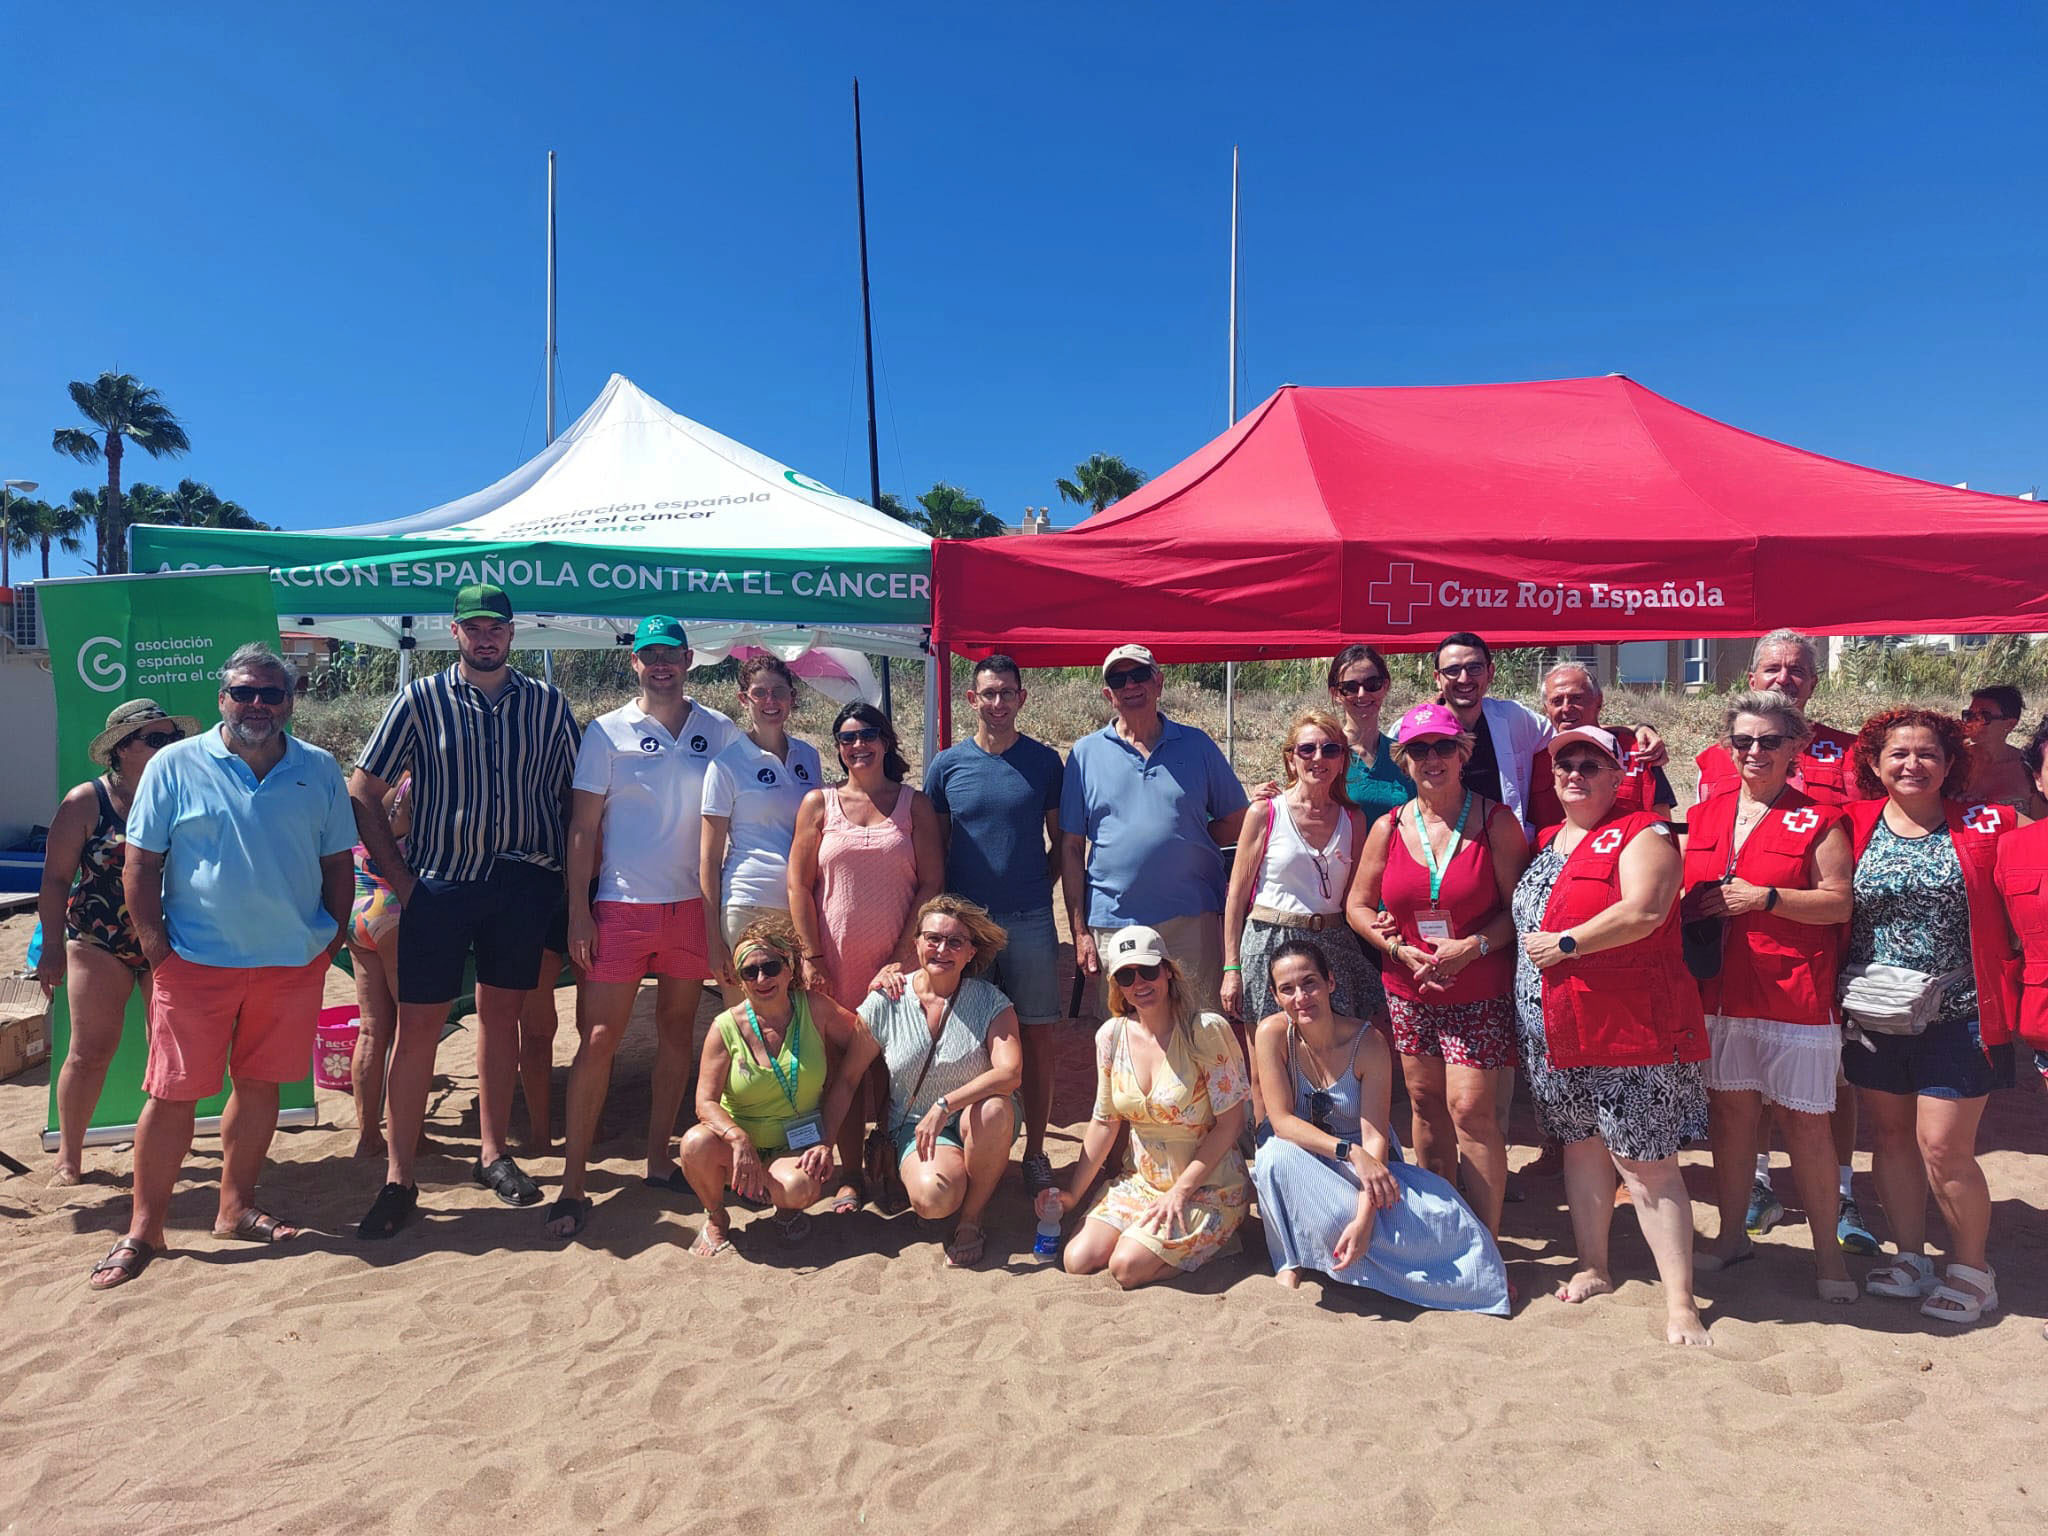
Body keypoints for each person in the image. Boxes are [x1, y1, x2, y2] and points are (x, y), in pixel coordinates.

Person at [88, 647, 355, 1289]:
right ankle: (145, 1228)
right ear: (222, 699)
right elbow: (141, 864)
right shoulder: (174, 765)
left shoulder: (317, 769)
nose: (257, 705)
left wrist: (330, 940)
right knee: (173, 1095)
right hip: (196, 962)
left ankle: (235, 1207)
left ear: (289, 699)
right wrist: (157, 947)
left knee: (261, 1087)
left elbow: (338, 864)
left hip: (291, 962)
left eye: (271, 693)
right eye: (244, 693)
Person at [349, 584, 583, 1237]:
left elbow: (576, 796)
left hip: (522, 884)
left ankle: (492, 1155)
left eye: (496, 629)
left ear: (513, 635)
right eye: (473, 628)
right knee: (418, 1027)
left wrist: (564, 879)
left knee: (500, 1020)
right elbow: (362, 789)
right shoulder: (419, 699)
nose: (486, 639)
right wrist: (400, 879)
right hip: (440, 885)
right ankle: (399, 1178)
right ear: (453, 632)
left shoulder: (547, 704)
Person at [1512, 724, 1713, 1347]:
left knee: (1649, 1166)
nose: (1575, 772)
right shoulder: (1549, 838)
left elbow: (1646, 909)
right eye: (1565, 762)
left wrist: (1568, 943)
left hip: (1628, 1027)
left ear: (1619, 773)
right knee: (1581, 1147)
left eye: (1591, 764)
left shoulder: (1643, 831)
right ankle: (1595, 1264)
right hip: (1556, 1029)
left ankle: (1682, 1303)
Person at [546, 616, 740, 1239]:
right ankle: (574, 1181)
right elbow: (583, 829)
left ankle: (659, 1159)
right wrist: (580, 908)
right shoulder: (605, 732)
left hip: (692, 904)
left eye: (671, 654)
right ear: (634, 661)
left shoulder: (720, 729)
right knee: (599, 1039)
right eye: (649, 654)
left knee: (677, 1034)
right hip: (623, 905)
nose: (662, 664)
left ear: (689, 659)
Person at [1843, 708, 2022, 1325]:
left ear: (1950, 765)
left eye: (1926, 754)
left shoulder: (1986, 822)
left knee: (1943, 1146)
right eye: (1897, 754)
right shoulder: (1853, 823)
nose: (1911, 764)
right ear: (1874, 763)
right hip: (1874, 1012)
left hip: (1962, 1014)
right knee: (1890, 1138)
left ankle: (1973, 1269)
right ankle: (1911, 1257)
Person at [1680, 691, 1857, 1301]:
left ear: (1796, 748)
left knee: (1806, 1126)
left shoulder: (1822, 816)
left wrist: (1767, 898)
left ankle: (1829, 1259)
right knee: (1730, 1119)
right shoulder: (1703, 815)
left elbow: (1838, 901)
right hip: (1719, 994)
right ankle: (1733, 1237)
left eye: (1769, 741)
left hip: (1793, 995)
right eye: (1743, 741)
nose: (1755, 752)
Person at [1251, 939, 1510, 1312]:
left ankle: (1342, 1244)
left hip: (1370, 1161)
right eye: (1287, 989)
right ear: (1276, 997)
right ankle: (1292, 1259)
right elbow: (1282, 1121)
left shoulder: (1368, 1043)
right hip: (1315, 1154)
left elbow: (1373, 1139)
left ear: (1330, 983)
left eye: (1309, 983)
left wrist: (1365, 1216)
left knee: (1443, 1220)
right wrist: (1348, 1152)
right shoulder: (1273, 1034)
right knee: (1273, 1155)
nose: (1301, 997)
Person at [1348, 703, 1527, 1233]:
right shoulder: (1388, 825)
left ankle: (1488, 1237)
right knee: (1425, 1105)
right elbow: (1358, 905)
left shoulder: (1495, 821)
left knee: (1471, 1109)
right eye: (1419, 750)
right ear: (1404, 761)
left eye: (1443, 747)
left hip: (1476, 986)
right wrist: (1399, 949)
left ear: (1463, 753)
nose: (1432, 759)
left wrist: (1472, 946)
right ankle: (1446, 1228)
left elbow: (1520, 910)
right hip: (1409, 987)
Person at [789, 701, 943, 1211]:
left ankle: (894, 1161)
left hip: (898, 964)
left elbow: (933, 883)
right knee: (843, 1071)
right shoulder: (818, 804)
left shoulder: (913, 805)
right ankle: (853, 1174)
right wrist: (810, 957)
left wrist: (902, 955)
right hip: (833, 962)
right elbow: (799, 883)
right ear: (838, 747)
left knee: (893, 1070)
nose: (859, 745)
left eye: (868, 735)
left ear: (886, 741)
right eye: (847, 737)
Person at [36, 698, 195, 1186]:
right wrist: (50, 947)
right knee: (89, 1051)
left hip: (168, 939)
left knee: (170, 1053)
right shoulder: (87, 801)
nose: (168, 747)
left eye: (172, 739)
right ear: (123, 748)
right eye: (156, 739)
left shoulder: (182, 794)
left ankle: (157, 1148)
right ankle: (70, 1157)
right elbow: (57, 879)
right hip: (97, 939)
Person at [923, 655, 1066, 1189]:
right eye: (989, 694)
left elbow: (1063, 844)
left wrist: (1037, 889)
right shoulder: (946, 766)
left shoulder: (1046, 763)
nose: (999, 703)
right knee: (969, 1039)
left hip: (1029, 919)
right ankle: (973, 1147)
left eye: (1008, 693)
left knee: (1037, 1034)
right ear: (972, 700)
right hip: (966, 931)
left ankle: (1034, 1152)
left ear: (1022, 698)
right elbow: (936, 847)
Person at [1045, 925, 1251, 1287]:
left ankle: (1219, 1238)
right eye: (1126, 975)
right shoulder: (1110, 1035)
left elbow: (1231, 1124)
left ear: (1168, 970)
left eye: (1148, 970)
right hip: (1142, 1181)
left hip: (1206, 1185)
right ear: (1116, 986)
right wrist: (1073, 1194)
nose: (1139, 982)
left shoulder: (1205, 1029)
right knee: (1076, 1259)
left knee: (1126, 1267)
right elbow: (1104, 1121)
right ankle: (1154, 1238)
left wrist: (1181, 1192)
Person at [829, 896, 1024, 1266]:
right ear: (915, 943)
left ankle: (972, 1218)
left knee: (995, 1107)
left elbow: (1010, 1073)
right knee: (933, 1201)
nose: (942, 949)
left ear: (971, 952)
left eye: (955, 942)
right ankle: (964, 1178)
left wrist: (945, 1104)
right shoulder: (886, 1000)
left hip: (976, 1118)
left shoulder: (990, 1001)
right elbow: (847, 1079)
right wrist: (824, 1143)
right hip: (914, 1124)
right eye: (932, 938)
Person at [1062, 643, 1249, 1011]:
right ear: (1108, 695)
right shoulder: (1085, 754)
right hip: (1114, 921)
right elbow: (1070, 847)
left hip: (1190, 920)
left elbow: (1238, 820)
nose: (1130, 685)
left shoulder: (1197, 745)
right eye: (1119, 679)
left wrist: (1191, 837)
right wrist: (1080, 932)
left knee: (1199, 1030)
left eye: (1140, 675)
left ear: (1159, 682)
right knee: (1127, 1037)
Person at [676, 915, 867, 1257]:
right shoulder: (724, 1027)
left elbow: (866, 1037)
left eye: (771, 966)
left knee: (798, 1187)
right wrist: (738, 1138)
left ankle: (784, 1209)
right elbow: (705, 1102)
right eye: (750, 972)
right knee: (693, 1143)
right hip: (740, 1146)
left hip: (797, 1145)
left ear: (790, 968)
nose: (762, 978)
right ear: (739, 979)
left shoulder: (815, 1008)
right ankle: (717, 1217)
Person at [1223, 711, 1378, 1053]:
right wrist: (1231, 966)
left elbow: (1353, 899)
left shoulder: (1354, 818)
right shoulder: (1265, 812)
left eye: (1330, 750)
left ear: (1342, 761)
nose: (1318, 758)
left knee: (1334, 1057)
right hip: (1268, 940)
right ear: (1291, 760)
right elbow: (1236, 895)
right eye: (1307, 750)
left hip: (1333, 944)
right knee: (1269, 1061)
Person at [699, 655, 824, 1003]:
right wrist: (713, 941)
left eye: (779, 692)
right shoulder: (725, 765)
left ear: (792, 697)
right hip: (748, 904)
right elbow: (708, 860)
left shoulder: (809, 757)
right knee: (749, 1024)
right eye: (760, 693)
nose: (770, 701)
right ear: (744, 699)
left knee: (798, 1018)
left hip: (801, 908)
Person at [1522, 663, 1677, 833]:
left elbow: (1663, 826)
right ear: (1546, 709)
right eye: (1557, 701)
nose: (1566, 708)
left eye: (1576, 698)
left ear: (1599, 701)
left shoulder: (1638, 753)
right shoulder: (1535, 756)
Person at [344, 773, 411, 1160]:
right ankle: (409, 1136)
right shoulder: (414, 786)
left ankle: (368, 1135)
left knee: (371, 1031)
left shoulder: (362, 785)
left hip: (358, 909)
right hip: (394, 912)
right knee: (411, 1030)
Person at [1325, 644, 1415, 818]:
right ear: (1336, 693)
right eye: (1350, 687)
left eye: (1372, 684)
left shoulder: (1406, 755)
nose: (1362, 694)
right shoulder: (1325, 754)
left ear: (1385, 686)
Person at [1961, 685, 2044, 818]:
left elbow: (2041, 826)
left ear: (2010, 724)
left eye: (1983, 716)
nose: (1971, 722)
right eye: (1969, 715)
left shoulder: (2029, 767)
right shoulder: (1954, 762)